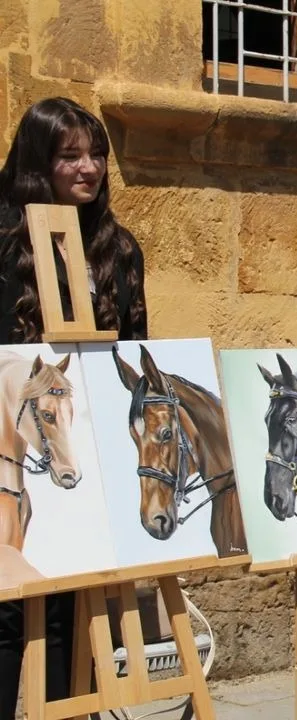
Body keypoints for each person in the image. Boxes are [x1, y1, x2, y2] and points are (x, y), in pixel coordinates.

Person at [0, 97, 149, 720]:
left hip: (87, 456)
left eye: (96, 155)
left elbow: (140, 353)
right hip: (15, 458)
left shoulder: (119, 249)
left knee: (75, 603)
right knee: (13, 610)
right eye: (70, 156)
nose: (88, 168)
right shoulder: (6, 247)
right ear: (39, 163)